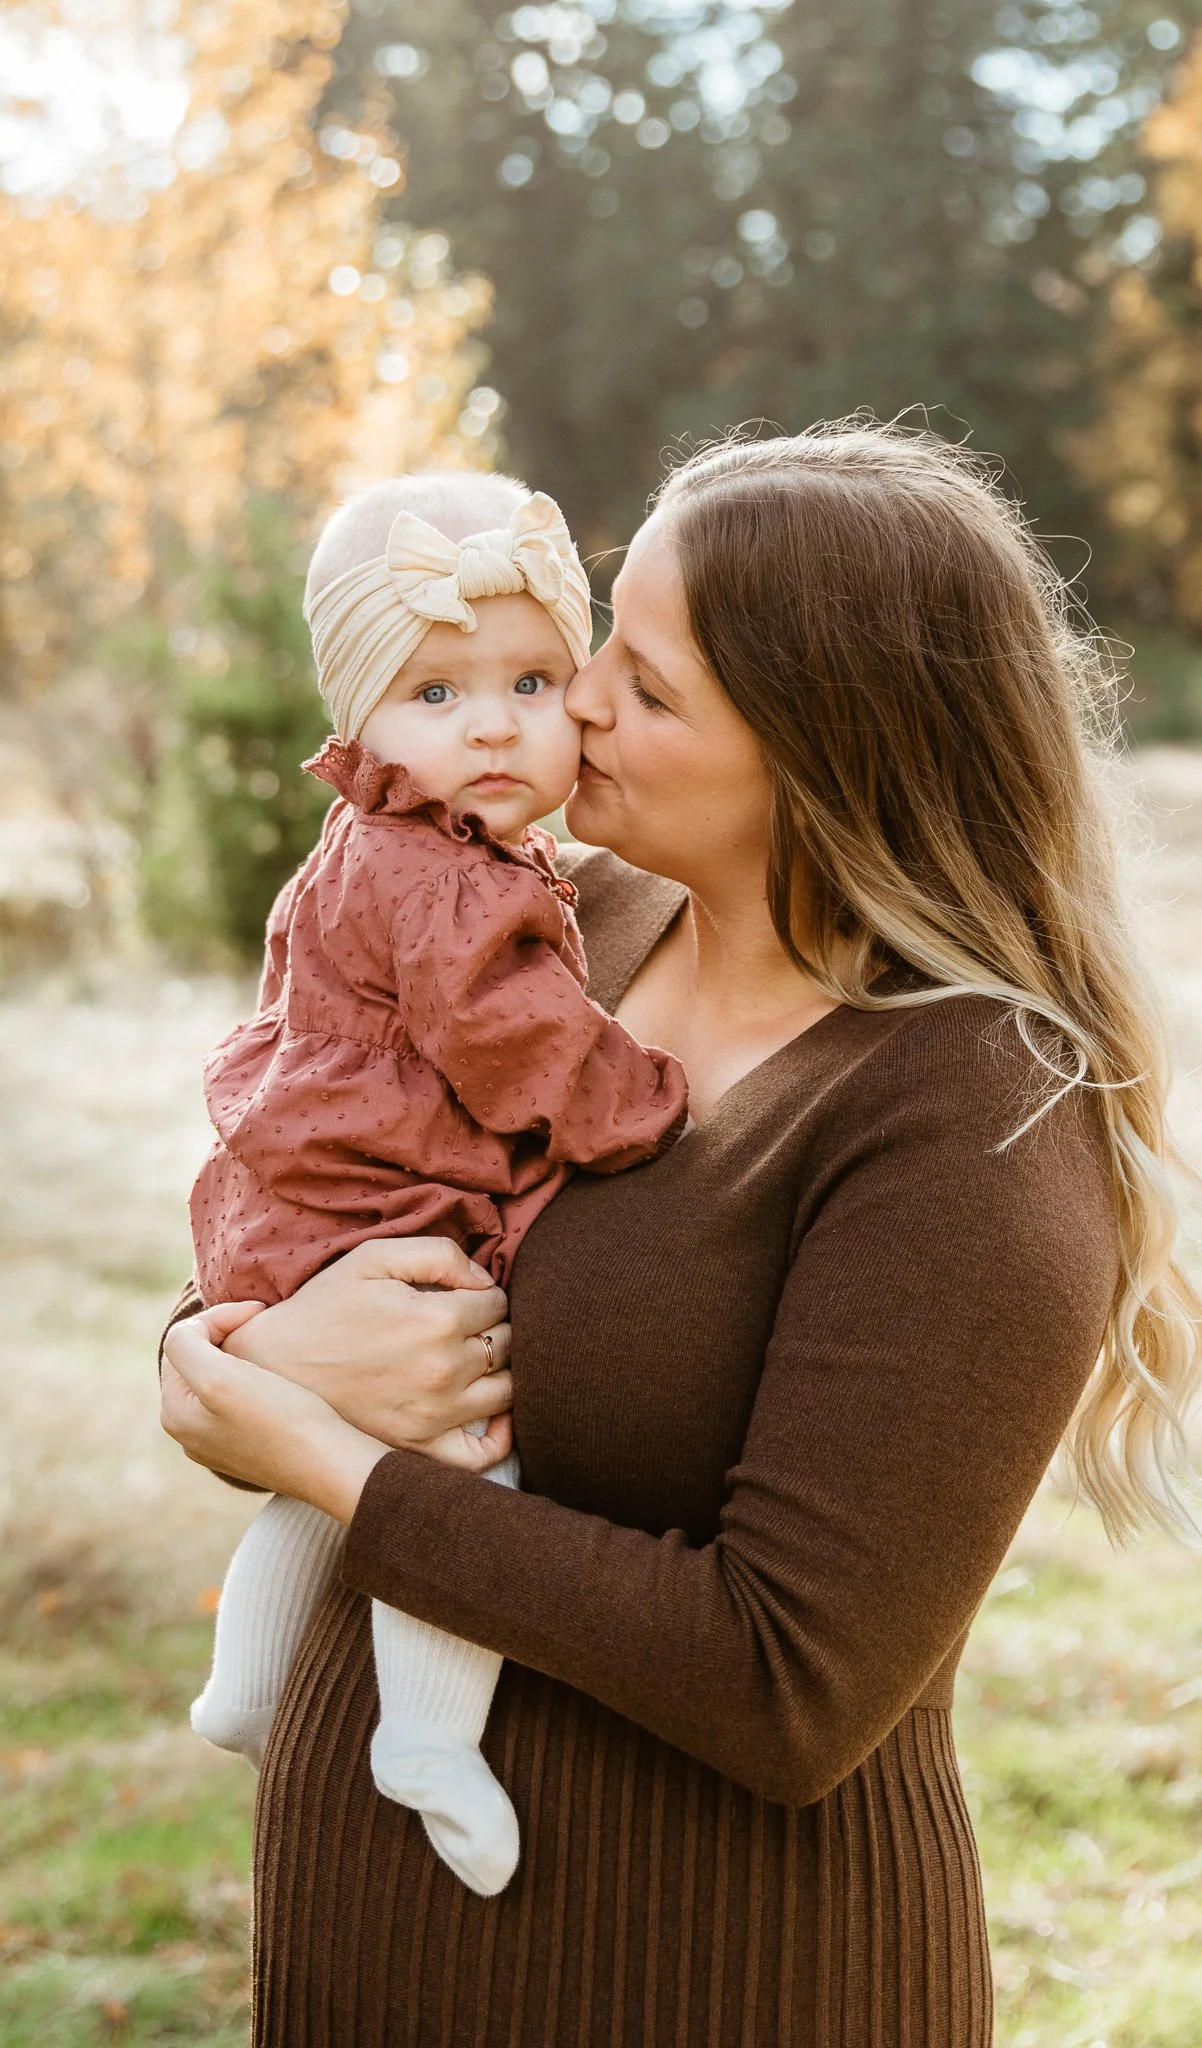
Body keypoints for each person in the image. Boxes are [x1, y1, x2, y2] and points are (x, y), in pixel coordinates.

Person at [161, 423, 1202, 2048]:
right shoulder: (558, 927)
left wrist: (325, 1463)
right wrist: (216, 1352)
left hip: (702, 1973)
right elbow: (321, 1183)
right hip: (366, 1946)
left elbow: (788, 1686)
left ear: (826, 754)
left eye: (641, 690)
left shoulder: (970, 1114)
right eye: (603, 648)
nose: (569, 706)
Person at [186, 470, 685, 1898]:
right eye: (437, 693)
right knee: (465, 1456)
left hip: (295, 1206)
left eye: (533, 678)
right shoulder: (445, 881)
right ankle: (427, 1732)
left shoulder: (392, 844)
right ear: (357, 719)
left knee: (323, 1468)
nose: (493, 726)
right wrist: (651, 1095)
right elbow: (522, 1046)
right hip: (380, 1207)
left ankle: (247, 1685)